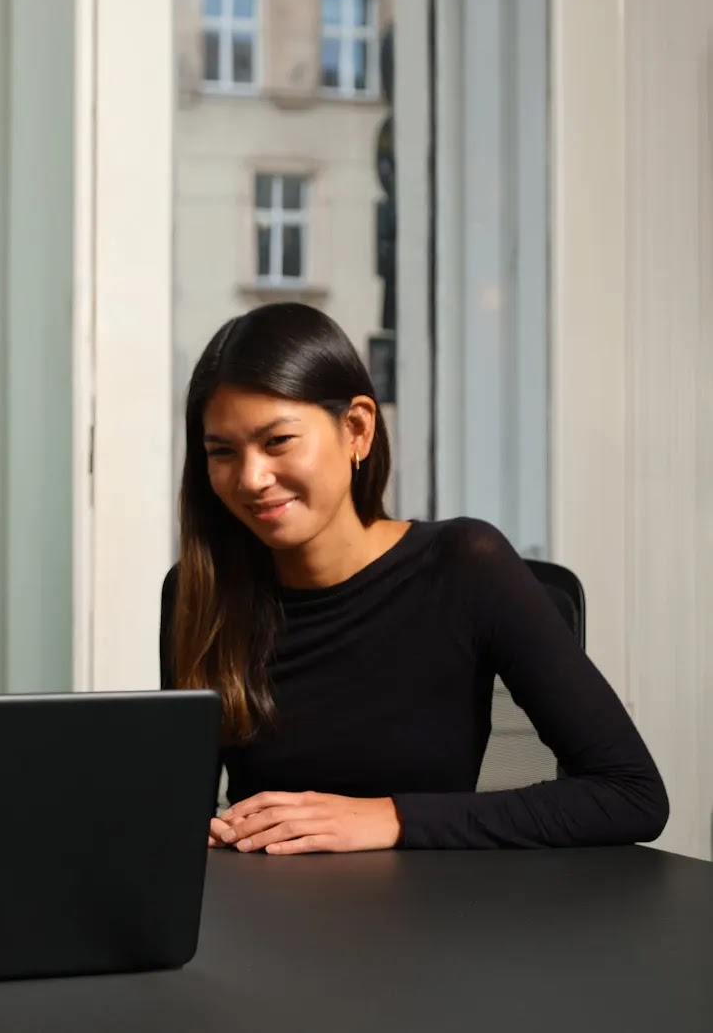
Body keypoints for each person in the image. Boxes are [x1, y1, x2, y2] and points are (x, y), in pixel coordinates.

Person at [162, 302, 666, 854]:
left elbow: (630, 793)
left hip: (429, 919)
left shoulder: (466, 565)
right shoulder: (199, 592)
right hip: (261, 916)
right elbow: (178, 810)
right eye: (222, 452)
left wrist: (393, 818)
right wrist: (194, 831)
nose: (252, 478)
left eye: (278, 442)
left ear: (356, 429)